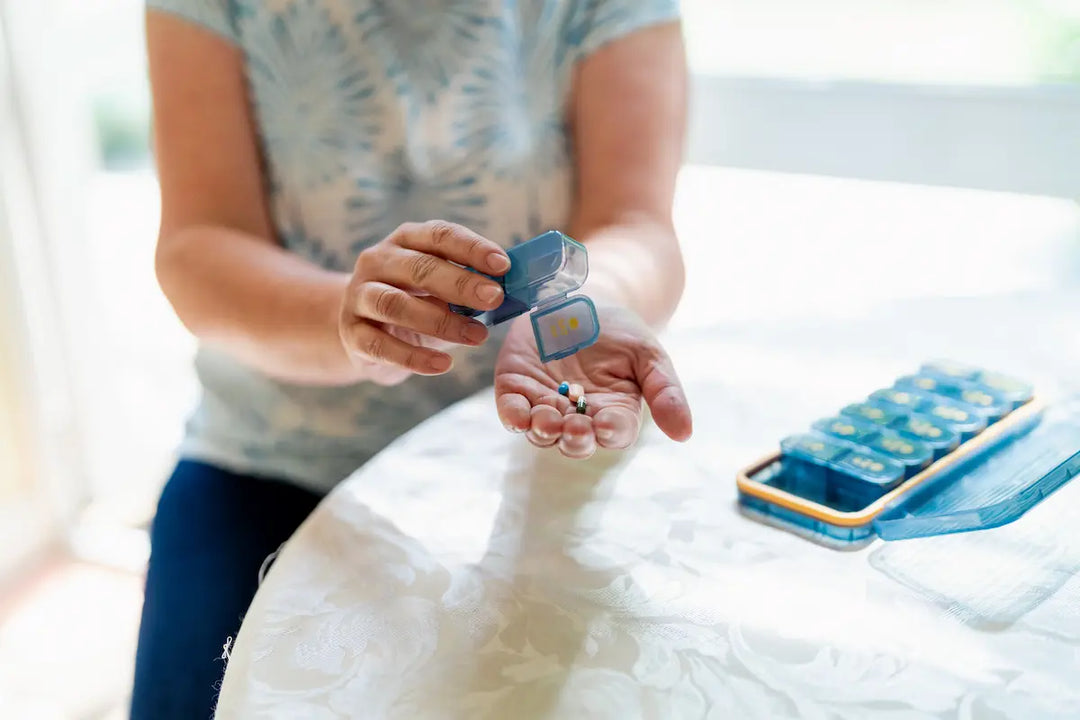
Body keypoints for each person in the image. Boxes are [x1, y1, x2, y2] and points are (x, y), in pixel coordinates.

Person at [132, 0, 693, 716]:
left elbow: (637, 226)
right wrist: (343, 317)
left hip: (529, 455)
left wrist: (591, 301)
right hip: (273, 460)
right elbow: (197, 249)